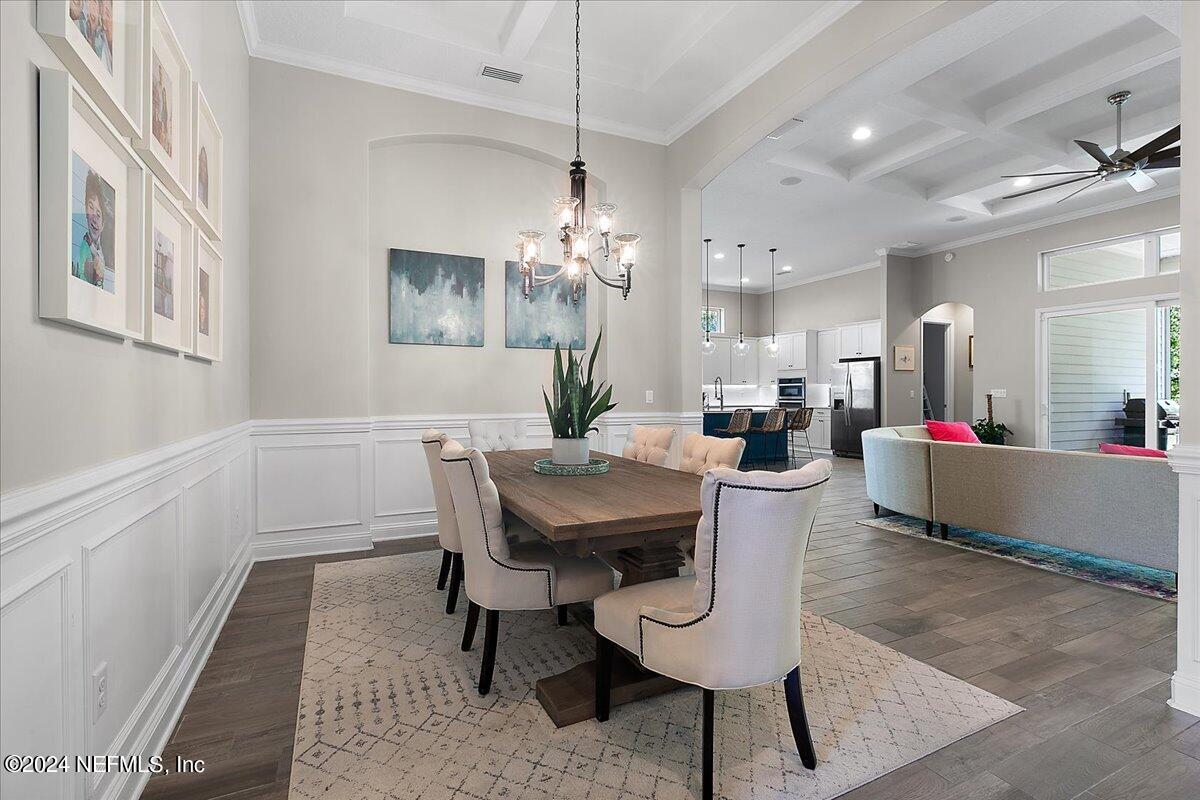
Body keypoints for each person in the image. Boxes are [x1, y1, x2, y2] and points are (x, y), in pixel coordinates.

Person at [75, 170, 108, 287]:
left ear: (103, 225)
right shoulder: (84, 246)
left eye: (98, 214)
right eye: (90, 207)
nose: (94, 217)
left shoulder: (99, 250)